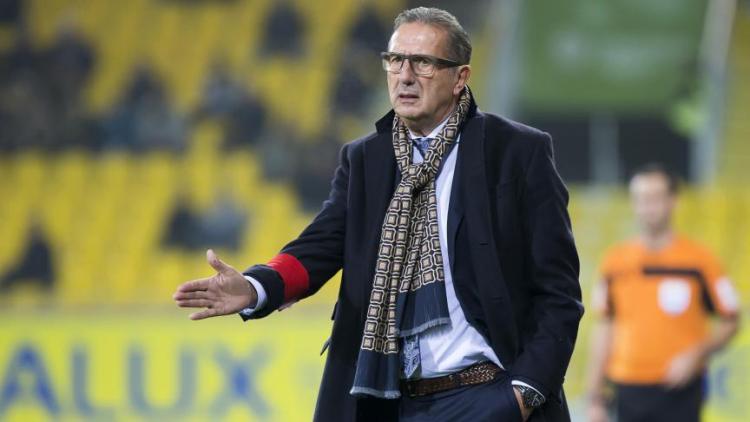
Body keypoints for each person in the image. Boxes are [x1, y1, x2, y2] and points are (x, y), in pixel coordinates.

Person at [174, 7, 583, 422]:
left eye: (423, 62)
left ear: (460, 78)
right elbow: (317, 248)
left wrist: (524, 393)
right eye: (395, 60)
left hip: (488, 396)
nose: (405, 76)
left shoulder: (516, 152)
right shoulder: (365, 159)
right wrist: (255, 287)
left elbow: (559, 292)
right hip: (389, 401)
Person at [585, 163, 740, 422]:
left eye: (655, 198)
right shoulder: (614, 262)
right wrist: (595, 397)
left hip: (680, 389)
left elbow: (731, 319)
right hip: (628, 388)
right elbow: (604, 328)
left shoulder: (701, 261)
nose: (648, 207)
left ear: (673, 201)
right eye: (641, 199)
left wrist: (696, 355)